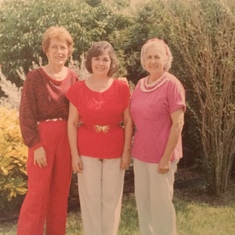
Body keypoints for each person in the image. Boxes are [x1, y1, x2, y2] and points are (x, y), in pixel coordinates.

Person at [66, 41, 133, 235]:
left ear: (112, 62)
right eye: (97, 59)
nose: (101, 63)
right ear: (90, 61)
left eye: (106, 59)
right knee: (90, 200)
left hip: (115, 148)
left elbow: (128, 121)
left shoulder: (121, 87)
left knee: (111, 199)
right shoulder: (78, 88)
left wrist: (127, 152)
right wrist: (74, 155)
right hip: (87, 149)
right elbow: (71, 123)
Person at [17, 26, 78, 235]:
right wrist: (36, 145)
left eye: (63, 47)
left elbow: (82, 111)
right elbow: (25, 115)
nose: (59, 52)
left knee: (60, 196)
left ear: (69, 51)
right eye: (54, 47)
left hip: (66, 140)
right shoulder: (35, 77)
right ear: (46, 50)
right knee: (37, 195)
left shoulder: (74, 78)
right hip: (42, 141)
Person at [130, 38, 186, 235]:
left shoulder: (172, 84)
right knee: (143, 204)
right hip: (140, 155)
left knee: (161, 206)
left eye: (157, 56)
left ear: (166, 59)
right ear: (144, 60)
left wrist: (165, 158)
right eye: (149, 57)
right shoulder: (140, 84)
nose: (153, 61)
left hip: (162, 156)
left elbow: (178, 123)